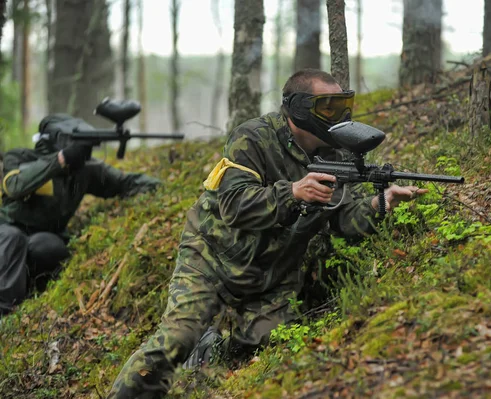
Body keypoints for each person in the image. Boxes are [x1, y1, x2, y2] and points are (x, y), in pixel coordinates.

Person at [108, 68, 426, 398]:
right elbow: (233, 204)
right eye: (328, 107)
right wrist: (292, 192)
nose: (340, 116)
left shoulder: (339, 152)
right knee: (176, 339)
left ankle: (208, 351)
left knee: (267, 339)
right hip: (212, 259)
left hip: (275, 270)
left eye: (344, 105)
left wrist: (380, 203)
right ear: (301, 108)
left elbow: (342, 219)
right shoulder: (253, 138)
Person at [0, 114, 162, 315]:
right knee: (12, 238)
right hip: (6, 232)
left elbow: (124, 183)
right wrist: (60, 160)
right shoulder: (19, 157)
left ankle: (28, 295)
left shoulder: (82, 171)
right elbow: (15, 186)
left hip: (40, 237)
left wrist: (163, 187)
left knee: (49, 247)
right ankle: (4, 311)